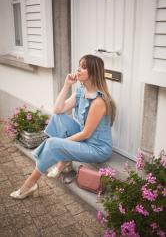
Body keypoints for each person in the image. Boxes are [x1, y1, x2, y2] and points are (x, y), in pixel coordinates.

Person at [10, 54, 116, 199]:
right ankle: (62, 160)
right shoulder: (81, 93)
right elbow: (58, 110)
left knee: (53, 144)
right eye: (79, 66)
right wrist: (67, 85)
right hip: (85, 138)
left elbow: (85, 134)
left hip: (97, 148)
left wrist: (59, 145)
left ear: (93, 72)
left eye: (83, 67)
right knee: (58, 119)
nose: (78, 69)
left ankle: (30, 184)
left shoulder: (98, 101)